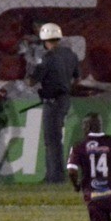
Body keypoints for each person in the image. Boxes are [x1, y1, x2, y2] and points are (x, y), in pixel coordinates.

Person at [27, 23, 80, 185]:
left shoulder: (47, 58)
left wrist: (31, 64)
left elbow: (31, 81)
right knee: (56, 138)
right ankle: (55, 175)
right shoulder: (70, 54)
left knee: (52, 140)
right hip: (65, 99)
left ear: (44, 40)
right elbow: (77, 78)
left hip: (52, 101)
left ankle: (55, 177)